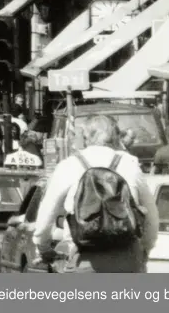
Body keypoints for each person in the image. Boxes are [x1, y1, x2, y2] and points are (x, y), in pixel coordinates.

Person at [32, 114, 159, 273]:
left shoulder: (69, 165)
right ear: (115, 137)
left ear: (85, 137)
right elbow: (151, 216)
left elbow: (47, 212)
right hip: (127, 257)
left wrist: (42, 248)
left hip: (84, 258)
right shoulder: (130, 164)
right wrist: (146, 248)